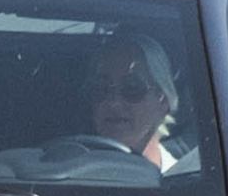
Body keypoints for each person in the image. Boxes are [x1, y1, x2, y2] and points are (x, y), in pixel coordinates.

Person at [76, 31, 178, 171]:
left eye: (132, 88)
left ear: (163, 101)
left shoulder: (189, 186)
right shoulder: (65, 179)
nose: (113, 102)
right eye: (100, 88)